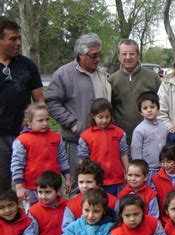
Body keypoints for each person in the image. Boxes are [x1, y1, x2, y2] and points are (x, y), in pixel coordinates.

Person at [45, 33, 110, 196]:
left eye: (99, 54)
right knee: (79, 186)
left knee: (100, 185)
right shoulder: (64, 74)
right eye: (93, 55)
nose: (98, 59)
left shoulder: (102, 73)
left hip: (101, 140)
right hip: (76, 141)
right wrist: (73, 123)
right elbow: (51, 101)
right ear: (81, 55)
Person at [0, 18, 44, 192]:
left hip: (25, 134)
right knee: (2, 183)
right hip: (0, 136)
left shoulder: (27, 65)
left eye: (19, 38)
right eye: (12, 39)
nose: (18, 43)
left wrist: (41, 126)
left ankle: (29, 217)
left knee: (31, 182)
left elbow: (39, 100)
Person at [10, 102, 70, 209]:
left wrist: (68, 178)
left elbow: (62, 158)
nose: (45, 123)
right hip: (31, 187)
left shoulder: (56, 137)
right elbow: (17, 165)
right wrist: (19, 187)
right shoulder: (22, 140)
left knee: (55, 213)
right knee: (33, 216)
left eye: (47, 119)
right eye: (40, 120)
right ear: (29, 122)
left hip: (53, 186)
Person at [108, 39, 161, 145]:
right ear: (119, 56)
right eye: (124, 54)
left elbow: (162, 104)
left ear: (138, 55)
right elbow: (109, 109)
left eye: (132, 54)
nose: (128, 57)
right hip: (122, 140)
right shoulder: (112, 80)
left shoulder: (152, 77)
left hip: (150, 138)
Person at [77, 98, 129, 196]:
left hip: (117, 179)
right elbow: (83, 159)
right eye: (100, 117)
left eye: (107, 117)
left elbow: (123, 153)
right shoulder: (85, 136)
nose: (104, 120)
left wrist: (127, 171)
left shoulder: (119, 133)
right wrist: (83, 178)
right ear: (93, 116)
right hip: (96, 181)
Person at [62, 159, 118, 231]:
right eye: (81, 182)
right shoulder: (72, 205)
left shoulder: (113, 201)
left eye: (89, 182)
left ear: (98, 183)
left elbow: (119, 225)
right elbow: (66, 229)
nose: (84, 186)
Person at [131, 92, 168, 184]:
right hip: (148, 170)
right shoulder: (139, 130)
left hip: (164, 168)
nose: (149, 110)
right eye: (145, 108)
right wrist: (140, 170)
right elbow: (136, 152)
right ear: (140, 112)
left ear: (158, 108)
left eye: (152, 107)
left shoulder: (164, 127)